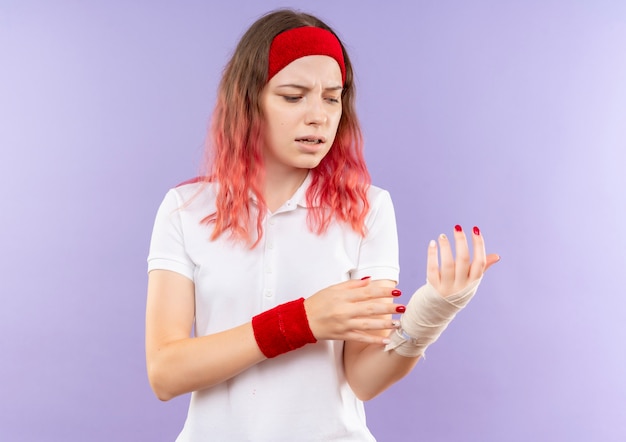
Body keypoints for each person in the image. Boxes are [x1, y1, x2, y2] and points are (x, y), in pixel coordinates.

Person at [145, 8, 499, 441]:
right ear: (248, 100)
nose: (318, 116)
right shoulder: (186, 209)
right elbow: (165, 372)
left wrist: (432, 312)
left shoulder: (368, 209)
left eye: (332, 97)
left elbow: (364, 379)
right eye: (294, 96)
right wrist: (303, 320)